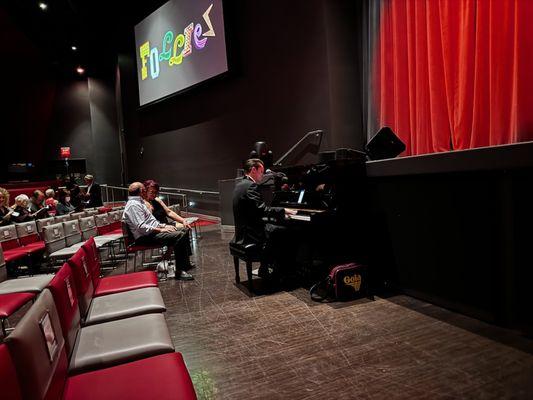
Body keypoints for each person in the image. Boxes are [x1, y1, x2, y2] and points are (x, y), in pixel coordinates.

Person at [232, 158, 296, 278]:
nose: (263, 175)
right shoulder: (251, 186)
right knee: (284, 231)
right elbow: (262, 210)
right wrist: (283, 210)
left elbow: (255, 211)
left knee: (275, 228)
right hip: (251, 234)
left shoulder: (240, 185)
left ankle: (265, 267)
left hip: (242, 233)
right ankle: (280, 269)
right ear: (253, 170)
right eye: (261, 172)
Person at [123, 182, 194, 280]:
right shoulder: (133, 205)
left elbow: (152, 221)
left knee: (183, 230)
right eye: (144, 189)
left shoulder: (139, 202)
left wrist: (164, 226)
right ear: (141, 191)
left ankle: (185, 265)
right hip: (144, 237)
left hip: (151, 233)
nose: (145, 191)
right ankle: (179, 271)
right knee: (179, 235)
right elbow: (142, 227)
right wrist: (161, 230)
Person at [142, 180, 195, 274]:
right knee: (179, 234)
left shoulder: (157, 200)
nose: (154, 194)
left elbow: (169, 212)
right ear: (145, 191)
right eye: (152, 192)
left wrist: (183, 220)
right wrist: (163, 228)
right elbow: (147, 224)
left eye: (156, 192)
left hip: (166, 226)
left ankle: (185, 261)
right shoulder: (143, 204)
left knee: (185, 229)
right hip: (157, 230)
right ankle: (179, 267)